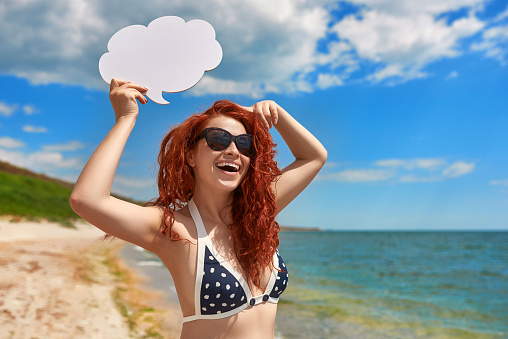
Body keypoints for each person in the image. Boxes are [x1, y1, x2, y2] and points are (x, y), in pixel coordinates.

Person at [70, 79, 327, 338]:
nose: (233, 150)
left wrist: (277, 114)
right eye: (218, 140)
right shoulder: (172, 228)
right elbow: (87, 199)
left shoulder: (257, 211)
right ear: (190, 156)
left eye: (244, 143)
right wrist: (125, 118)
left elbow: (314, 156)